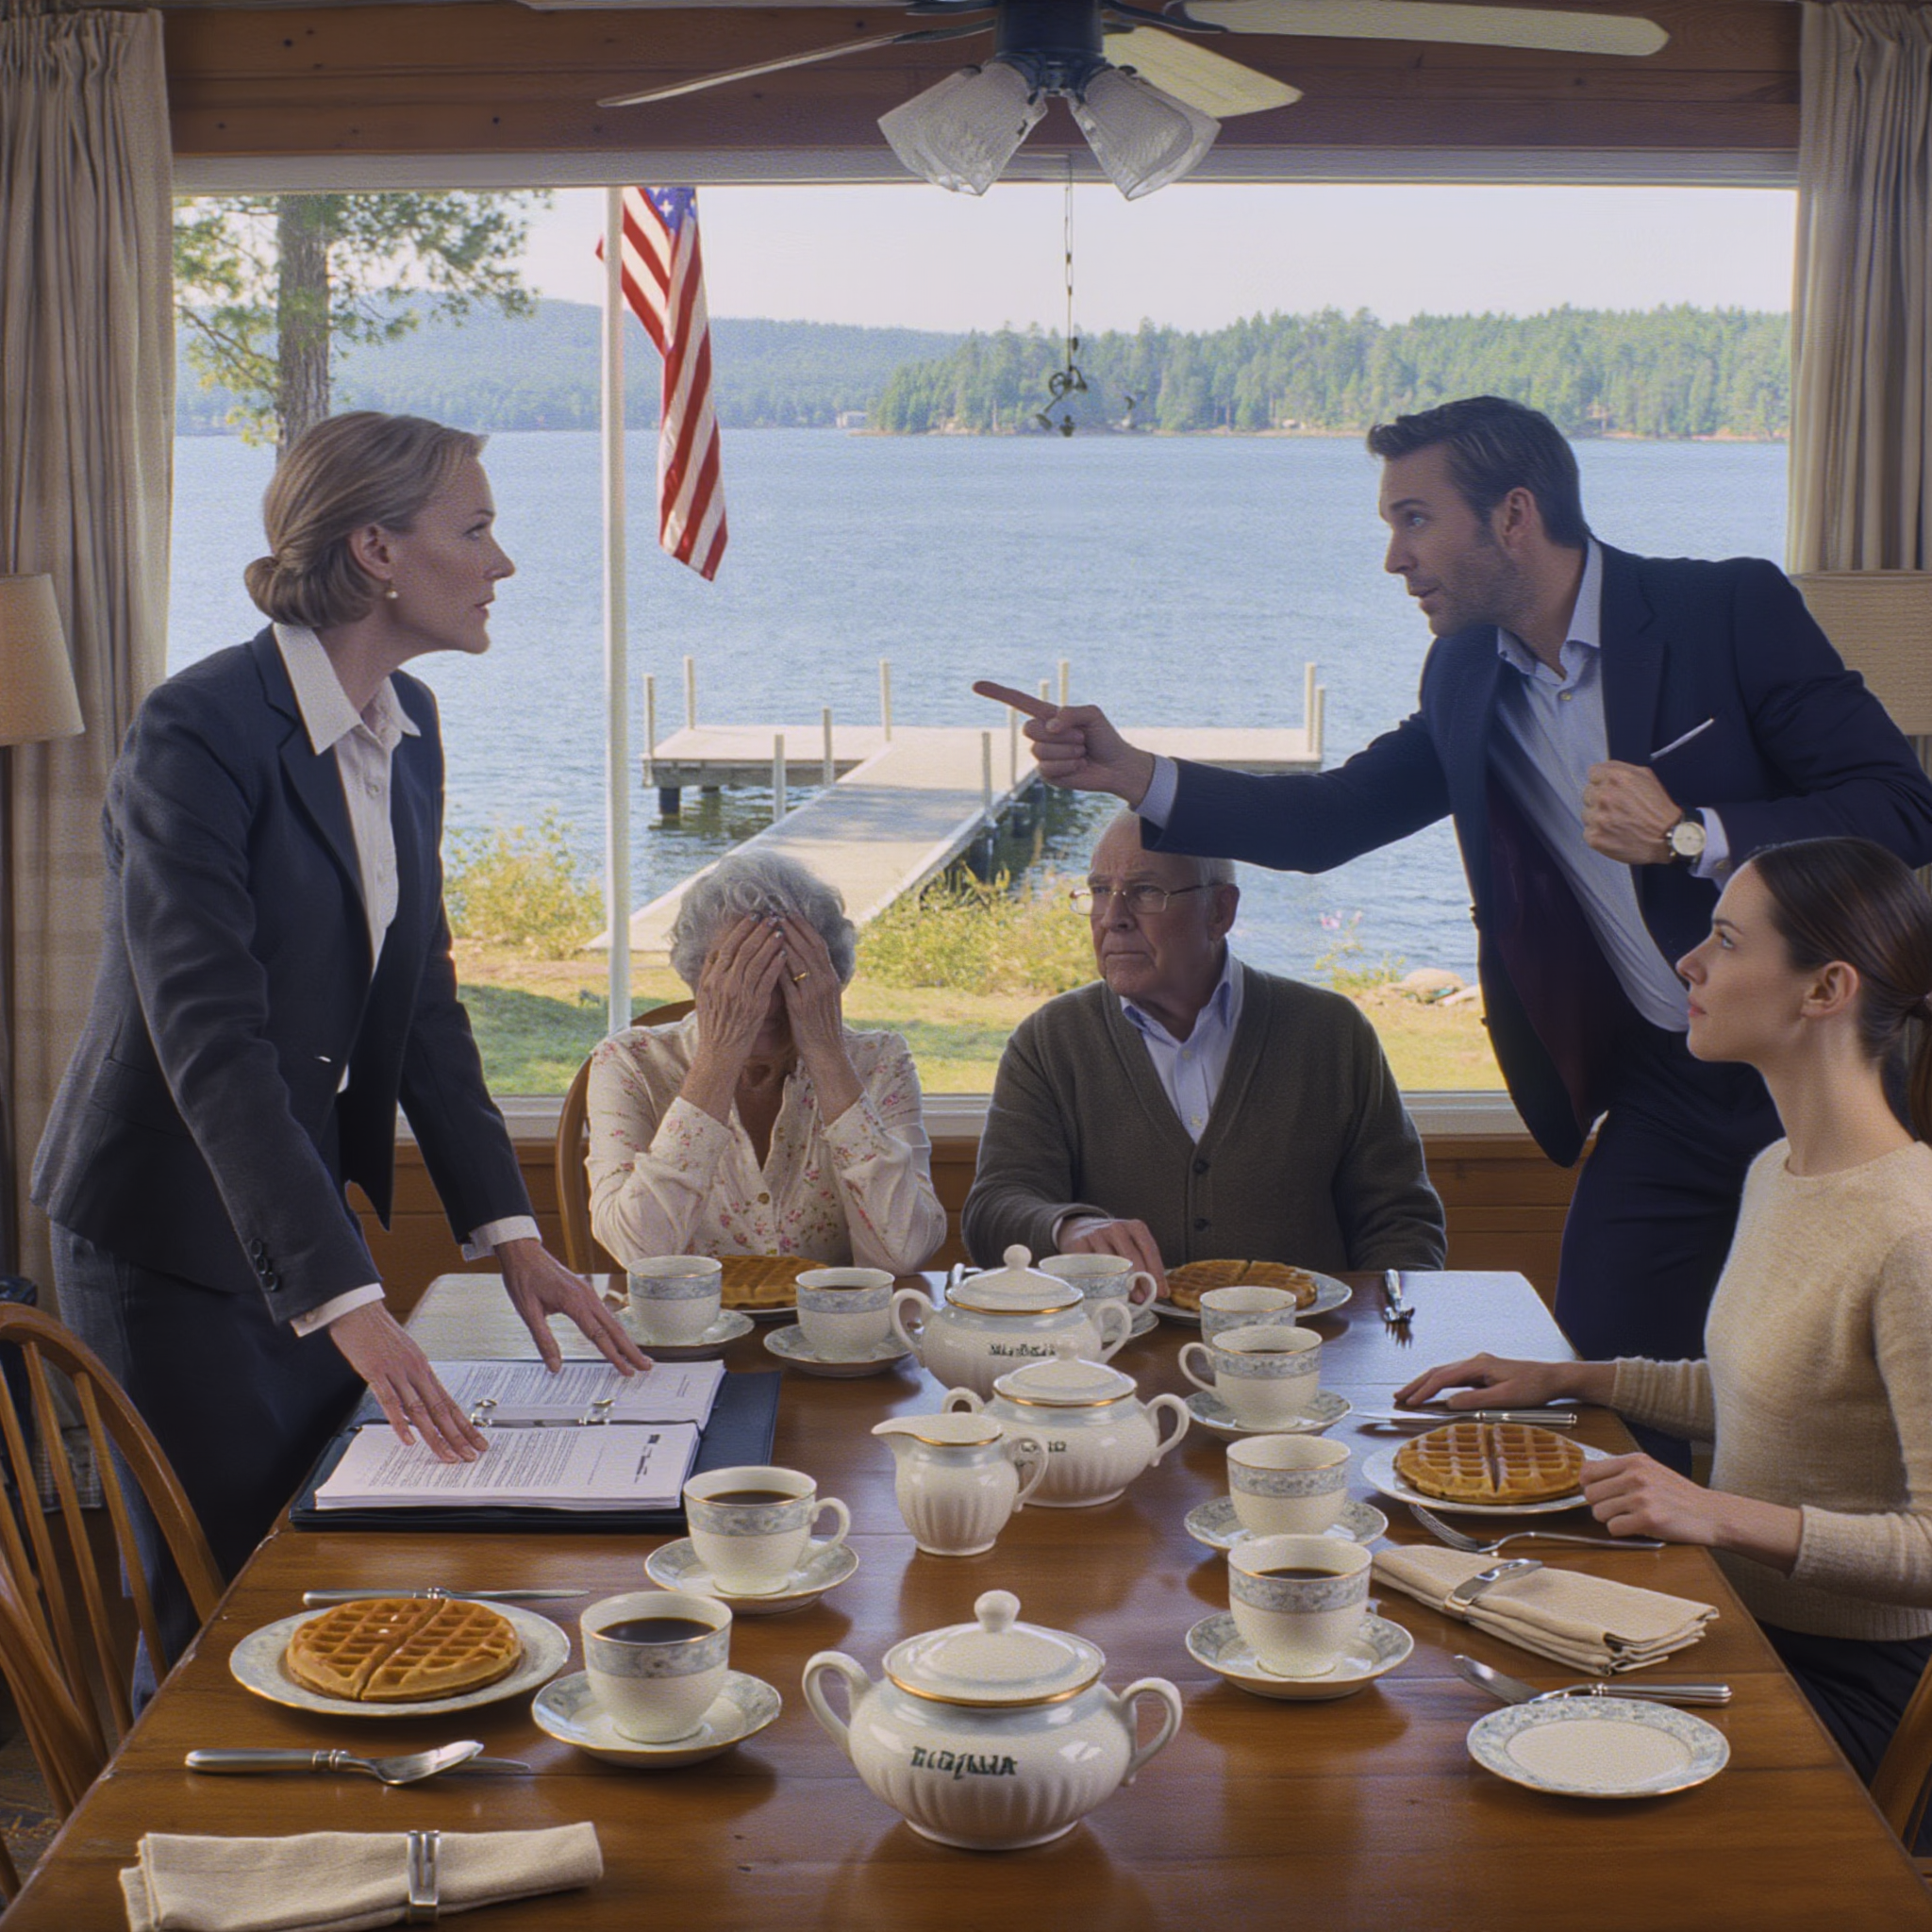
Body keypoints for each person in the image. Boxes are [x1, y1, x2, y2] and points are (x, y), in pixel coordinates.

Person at [976, 394, 1932, 1394]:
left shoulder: (1726, 611)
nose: (1393, 556)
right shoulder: (1463, 673)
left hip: (1822, 1069)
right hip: (1658, 1081)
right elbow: (1328, 818)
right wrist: (1133, 771)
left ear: (1512, 514)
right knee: (1599, 1378)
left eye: (1413, 518)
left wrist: (1693, 835)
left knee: (1835, 1389)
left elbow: (1899, 806)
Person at [32, 411, 646, 1666]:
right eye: (474, 530)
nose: (501, 563)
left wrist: (510, 1237)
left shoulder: (406, 722)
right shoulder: (196, 734)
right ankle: (177, 1849)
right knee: (212, 1609)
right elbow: (212, 1037)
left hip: (297, 1223)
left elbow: (420, 1001)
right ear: (376, 548)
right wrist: (347, 1301)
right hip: (164, 1233)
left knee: (322, 1561)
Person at [1397, 837, 1932, 1790]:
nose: (1687, 961)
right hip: (1734, 1623)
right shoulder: (1777, 1169)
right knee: (1440, 1697)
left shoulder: (1911, 1234)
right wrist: (1568, 1378)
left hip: (1853, 1686)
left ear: (1823, 990)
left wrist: (1717, 1513)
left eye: (1724, 940)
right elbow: (1775, 1391)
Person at [962, 808, 1445, 1289]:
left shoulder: (1331, 1033)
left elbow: (1401, 1222)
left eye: (1146, 892)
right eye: (1099, 891)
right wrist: (1067, 1227)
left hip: (1307, 1353)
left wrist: (1382, 1329)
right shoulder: (1050, 1041)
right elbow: (994, 1210)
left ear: (1220, 912)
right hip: (1117, 1355)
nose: (1113, 918)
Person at [586, 851, 945, 1274]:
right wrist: (718, 1058)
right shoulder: (628, 1063)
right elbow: (639, 1253)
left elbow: (904, 1251)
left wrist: (828, 1055)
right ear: (697, 976)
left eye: (793, 973)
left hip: (830, 1335)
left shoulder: (879, 1061)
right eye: (743, 972)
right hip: (684, 1333)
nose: (766, 1001)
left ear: (831, 976)